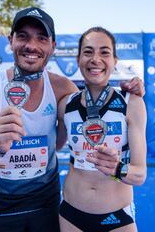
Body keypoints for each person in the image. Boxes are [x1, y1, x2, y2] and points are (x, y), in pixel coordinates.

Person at [0, 7, 144, 232]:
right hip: (1, 205)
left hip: (47, 203)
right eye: (23, 36)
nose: (31, 46)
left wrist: (130, 90)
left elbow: (78, 125)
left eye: (42, 38)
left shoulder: (64, 90)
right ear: (10, 40)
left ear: (53, 46)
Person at [57, 27, 147, 232]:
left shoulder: (131, 102)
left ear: (114, 61)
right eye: (88, 52)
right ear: (78, 59)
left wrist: (116, 168)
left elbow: (140, 175)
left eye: (104, 52)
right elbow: (54, 144)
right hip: (71, 214)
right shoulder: (65, 105)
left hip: (117, 218)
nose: (95, 59)